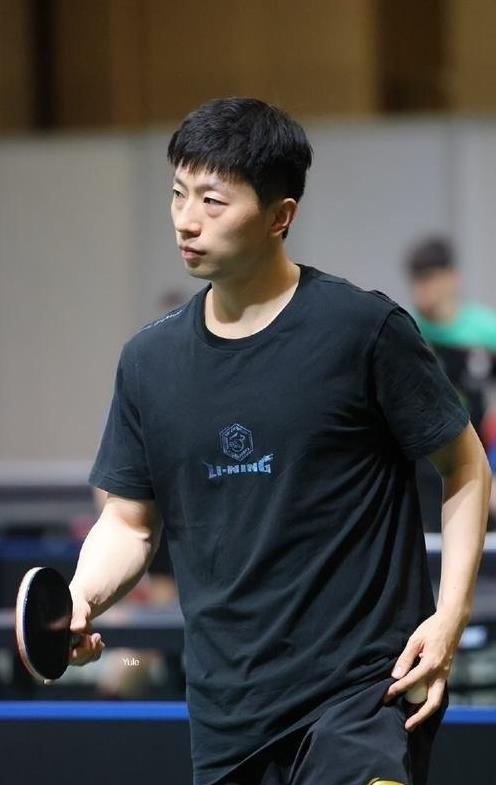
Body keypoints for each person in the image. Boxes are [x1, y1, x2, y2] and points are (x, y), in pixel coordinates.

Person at [67, 98, 491, 785]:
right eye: (178, 193)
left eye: (212, 199)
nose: (186, 218)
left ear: (279, 216)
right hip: (228, 720)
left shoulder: (362, 330)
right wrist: (83, 596)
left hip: (362, 700)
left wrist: (450, 616)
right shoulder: (149, 363)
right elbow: (129, 522)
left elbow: (466, 465)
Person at [405, 238, 496, 530]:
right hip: (425, 468)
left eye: (429, 278)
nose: (422, 289)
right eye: (417, 280)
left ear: (451, 278)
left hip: (476, 460)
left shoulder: (485, 331)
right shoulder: (407, 333)